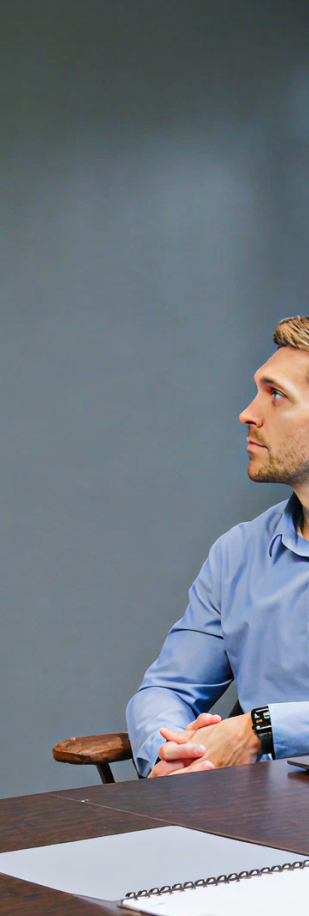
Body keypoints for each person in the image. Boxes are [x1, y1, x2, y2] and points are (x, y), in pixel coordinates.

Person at [127, 316, 309, 778]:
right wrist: (171, 752)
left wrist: (260, 729)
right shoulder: (240, 552)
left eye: (276, 394)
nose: (248, 413)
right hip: (250, 811)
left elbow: (255, 732)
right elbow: (168, 690)